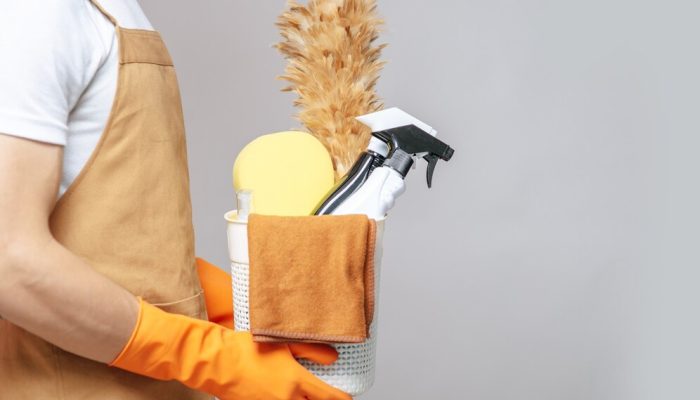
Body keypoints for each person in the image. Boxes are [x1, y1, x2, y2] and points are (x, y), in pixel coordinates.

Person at [0, 1, 351, 399]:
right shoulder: (39, 13)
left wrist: (215, 303)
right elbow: (9, 262)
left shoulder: (113, 13)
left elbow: (105, 234)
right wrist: (207, 355)